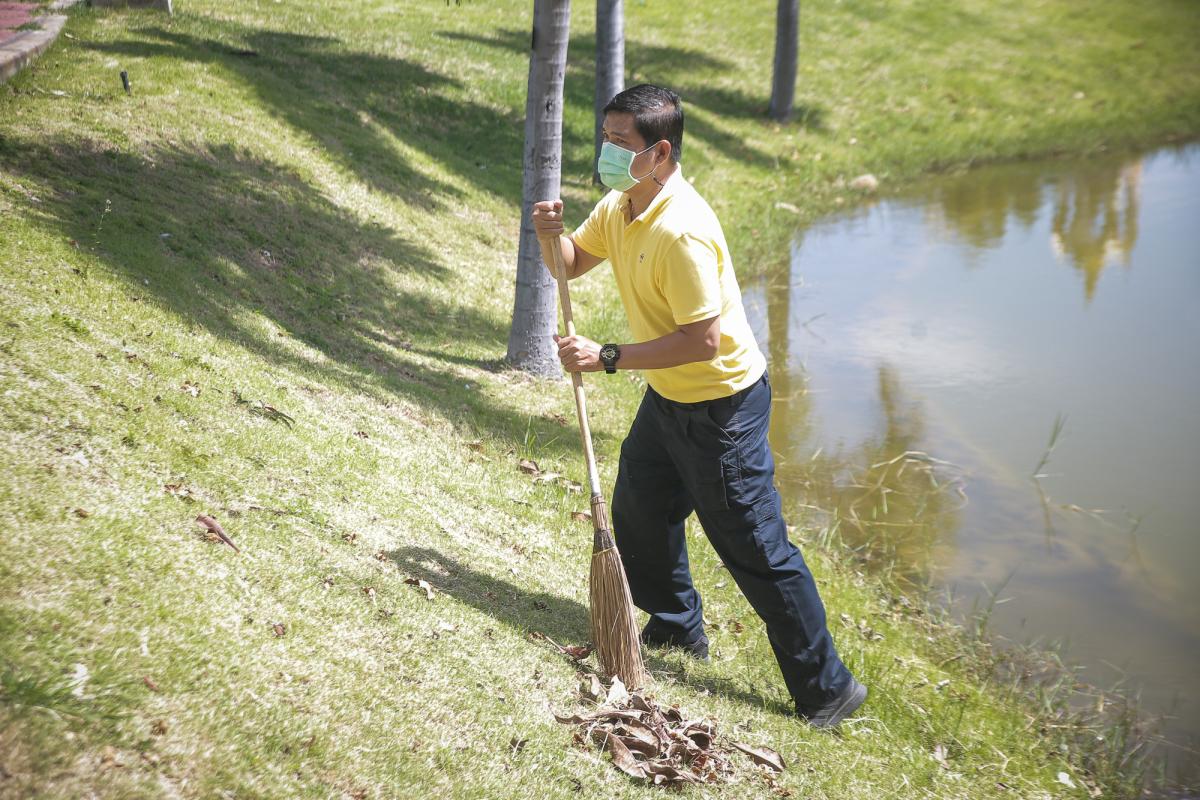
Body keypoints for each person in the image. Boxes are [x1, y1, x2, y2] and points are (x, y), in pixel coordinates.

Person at [531, 84, 866, 728]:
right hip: (669, 398)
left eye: (620, 142)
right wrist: (550, 236)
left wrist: (607, 356)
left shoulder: (682, 230)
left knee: (756, 549)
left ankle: (828, 689)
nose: (606, 151)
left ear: (659, 153)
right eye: (605, 138)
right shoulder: (621, 204)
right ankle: (678, 627)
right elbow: (570, 265)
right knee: (640, 511)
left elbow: (701, 341)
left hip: (722, 408)